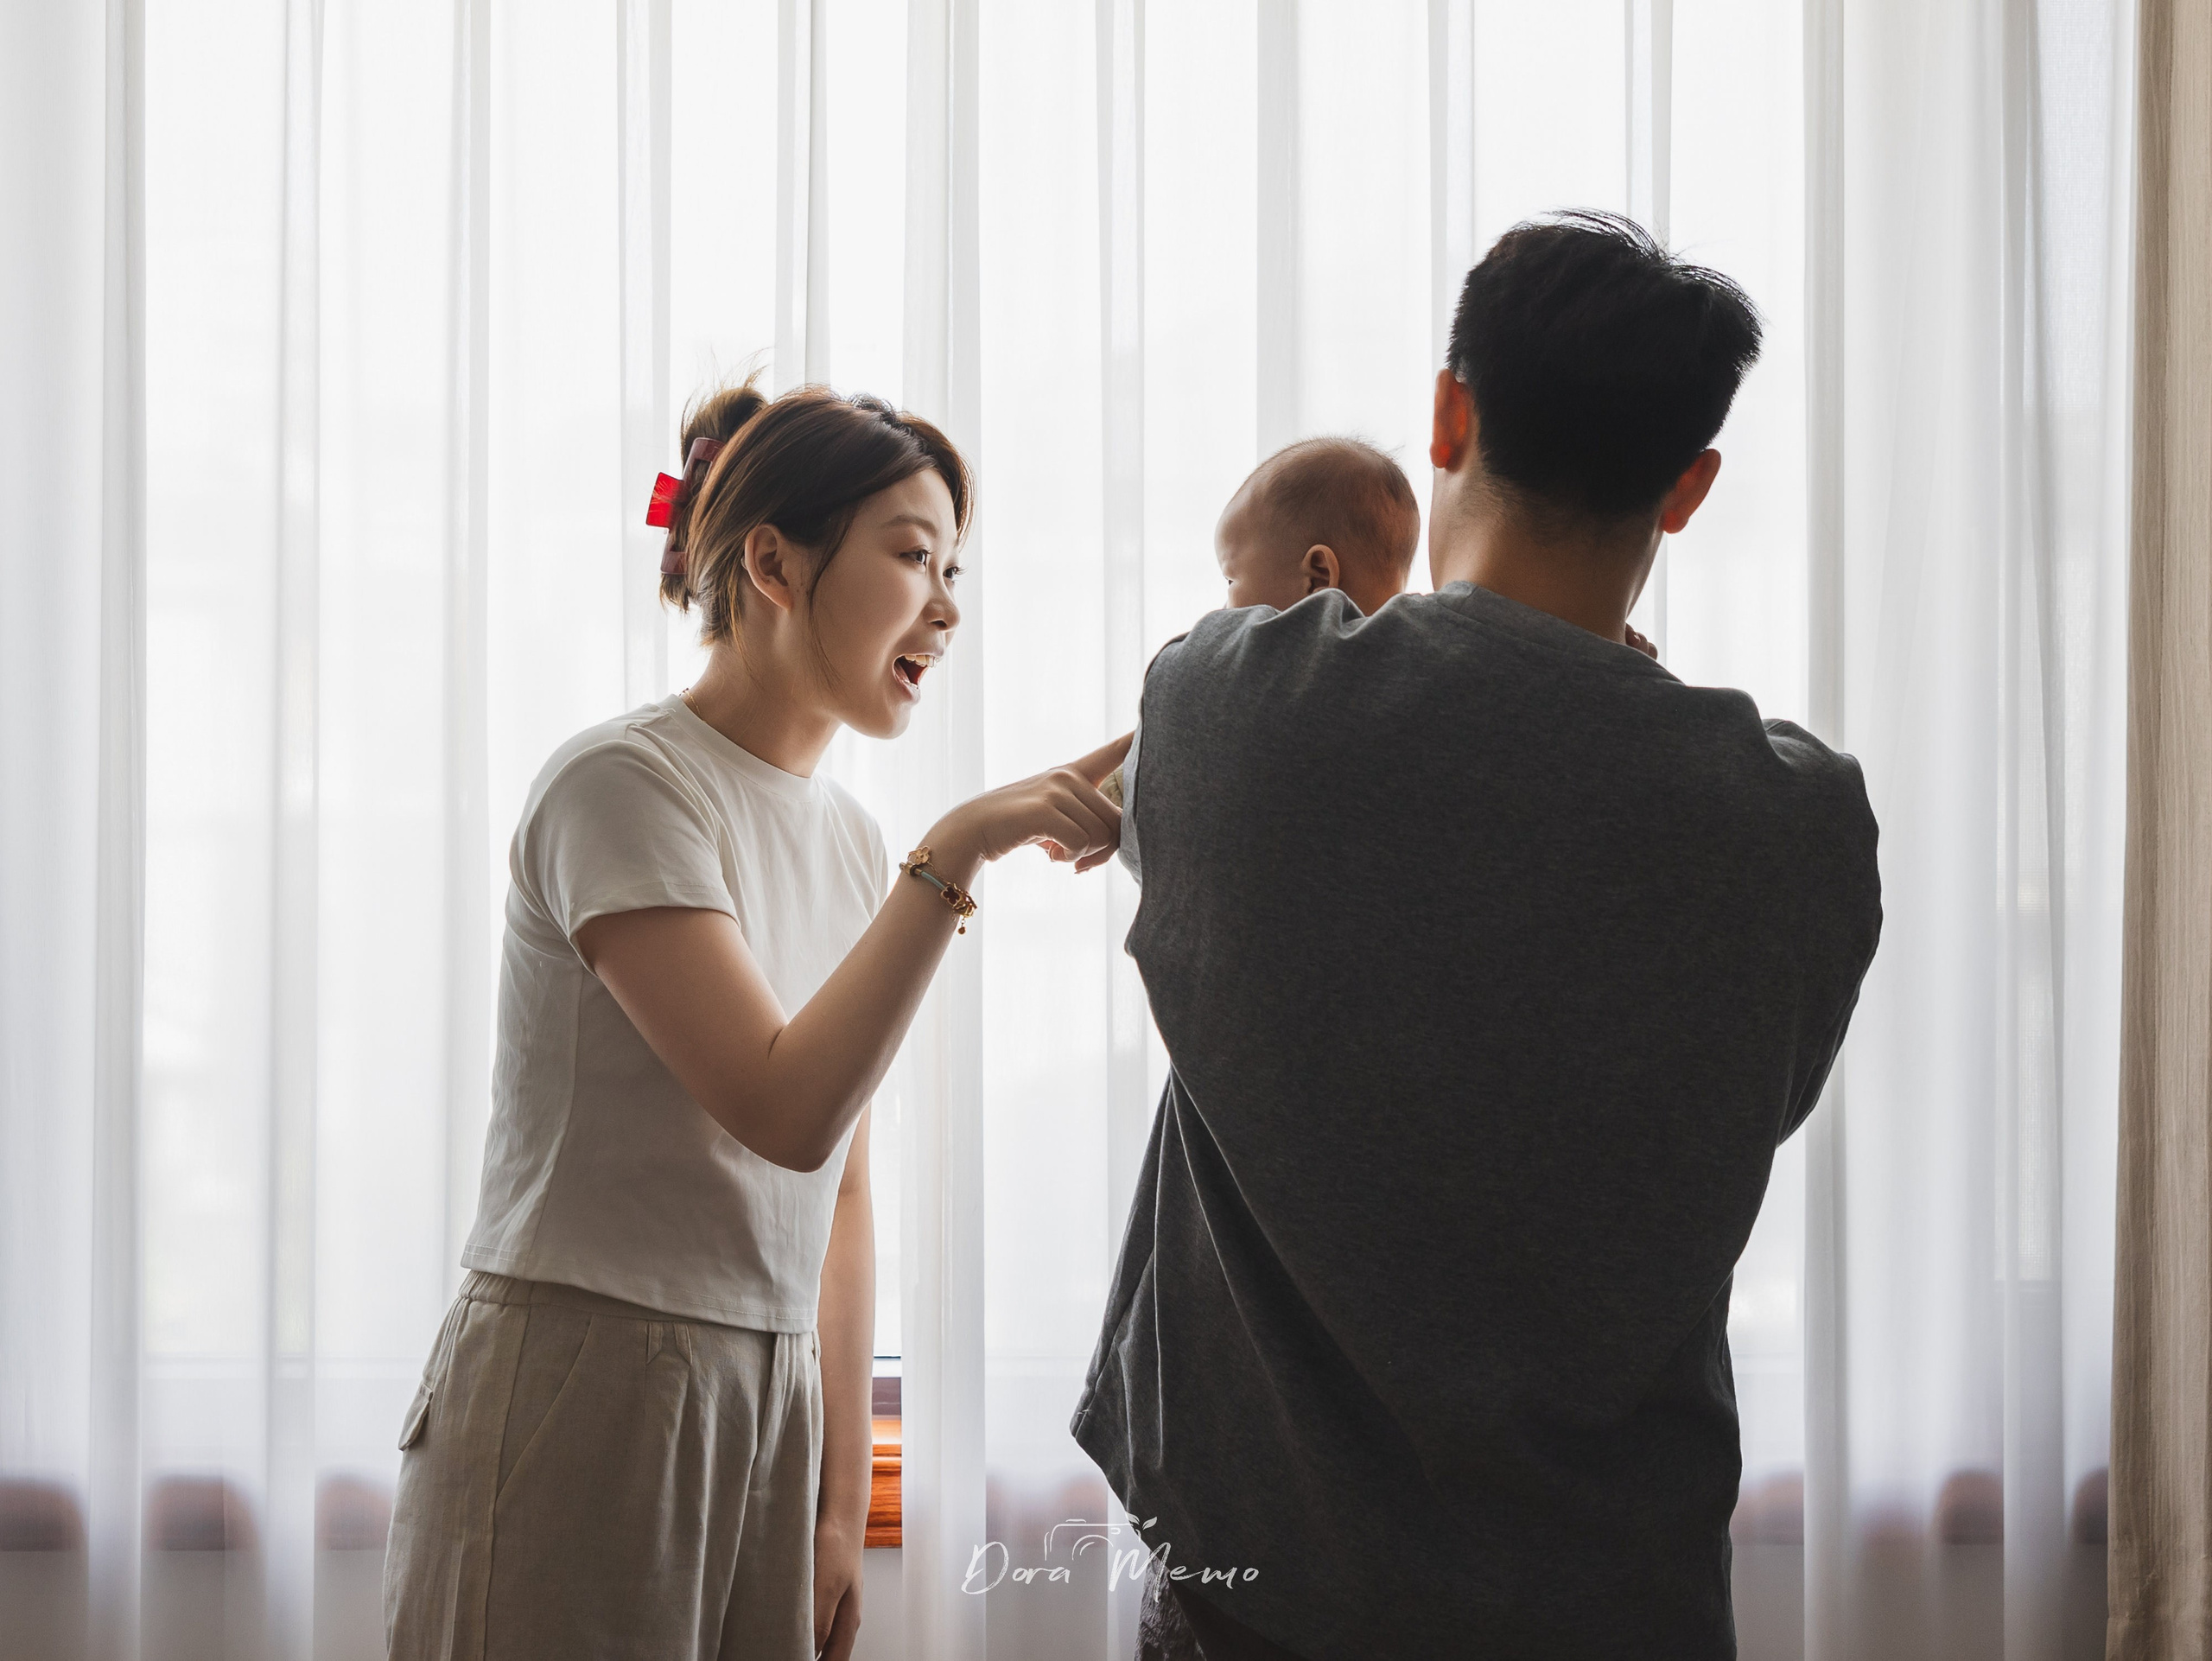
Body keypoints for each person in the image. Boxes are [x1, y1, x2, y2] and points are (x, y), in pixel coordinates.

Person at [1075, 212, 1883, 1660]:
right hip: (1610, 1600)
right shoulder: (1802, 820)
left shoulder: (1224, 706)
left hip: (1261, 1597)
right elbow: (1748, 1106)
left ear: (1450, 410)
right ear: (1686, 488)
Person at [382, 379, 1125, 1661]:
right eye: (911, 557)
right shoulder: (622, 783)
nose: (947, 607)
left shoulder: (851, 841)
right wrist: (964, 841)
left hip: (772, 1392)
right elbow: (784, 1110)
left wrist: (840, 1501)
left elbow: (837, 1193)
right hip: (580, 1371)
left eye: (955, 568)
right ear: (772, 564)